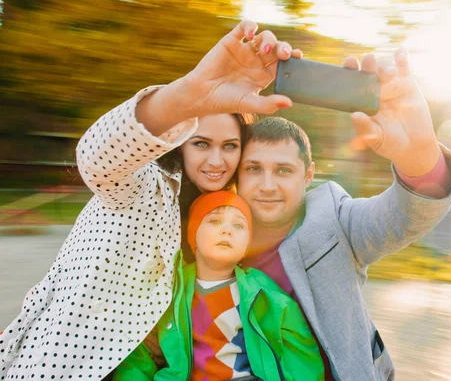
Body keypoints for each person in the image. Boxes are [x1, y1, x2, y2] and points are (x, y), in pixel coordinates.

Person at [0, 20, 303, 379]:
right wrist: (187, 95)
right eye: (201, 144)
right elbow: (96, 160)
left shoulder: (219, 218)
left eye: (230, 146)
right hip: (65, 365)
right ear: (181, 144)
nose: (216, 161)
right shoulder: (144, 185)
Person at [113, 191, 324, 380]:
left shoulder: (265, 293)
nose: (227, 230)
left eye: (239, 225)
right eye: (214, 222)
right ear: (193, 233)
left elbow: (300, 354)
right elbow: (138, 359)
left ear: (246, 245)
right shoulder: (169, 290)